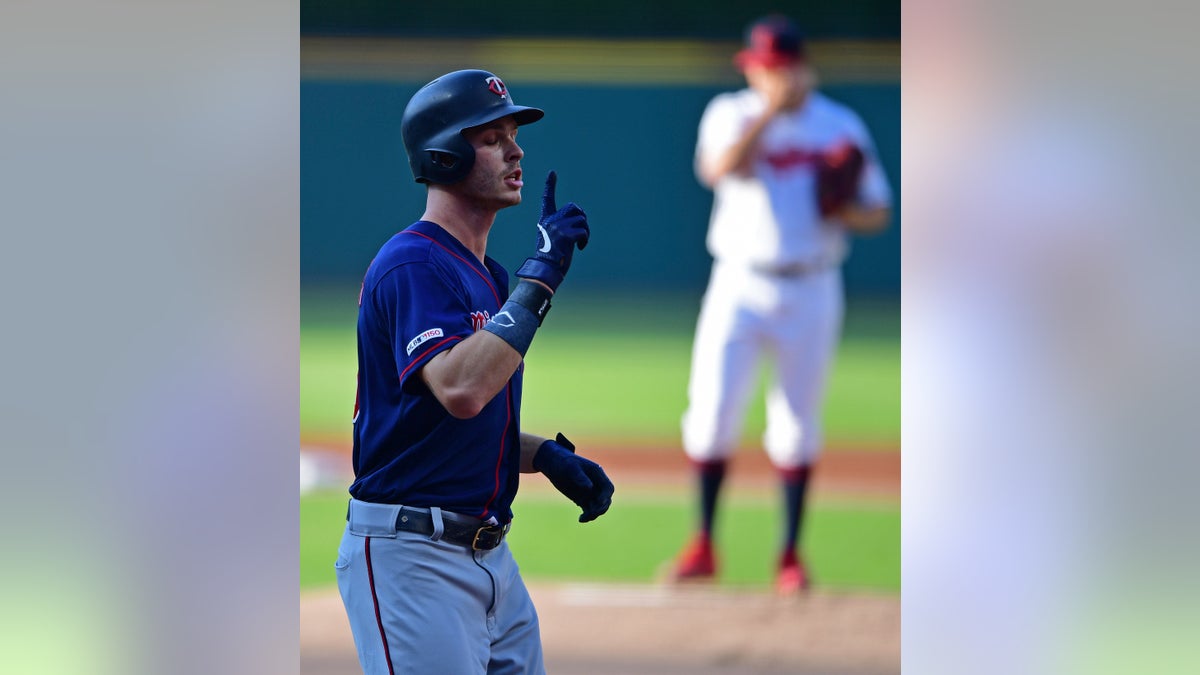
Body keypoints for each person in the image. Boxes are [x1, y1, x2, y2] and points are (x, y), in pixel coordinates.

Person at [335, 69, 615, 675]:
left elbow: (452, 426)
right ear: (444, 154)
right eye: (492, 137)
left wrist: (542, 455)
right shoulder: (413, 262)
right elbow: (462, 389)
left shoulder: (483, 275)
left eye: (514, 133)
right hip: (413, 559)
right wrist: (540, 278)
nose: (515, 150)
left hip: (490, 557)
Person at [669, 15, 892, 595]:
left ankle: (791, 555)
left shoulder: (838, 124)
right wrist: (769, 112)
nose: (766, 76)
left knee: (796, 422)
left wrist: (843, 209)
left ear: (799, 67)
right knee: (712, 413)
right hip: (738, 281)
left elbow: (877, 210)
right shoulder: (730, 112)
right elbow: (718, 169)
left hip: (812, 283)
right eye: (760, 69)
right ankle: (703, 545)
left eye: (776, 68)